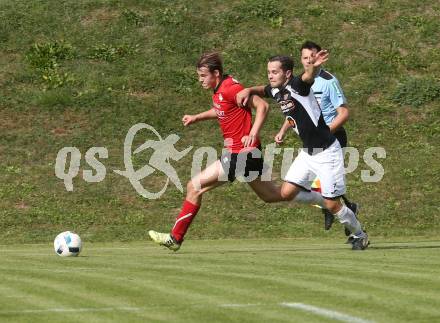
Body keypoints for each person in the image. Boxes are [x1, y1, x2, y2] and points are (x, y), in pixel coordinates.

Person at [148, 51, 332, 251]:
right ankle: (326, 202)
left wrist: (253, 132)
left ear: (215, 73)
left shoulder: (230, 88)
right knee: (272, 195)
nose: (200, 80)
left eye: (203, 75)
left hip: (241, 154)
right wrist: (196, 117)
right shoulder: (220, 90)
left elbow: (262, 106)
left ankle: (175, 238)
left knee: (194, 186)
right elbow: (221, 110)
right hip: (245, 154)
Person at [236, 51, 369, 250]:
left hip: (327, 152)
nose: (270, 76)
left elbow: (308, 76)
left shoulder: (297, 86)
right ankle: (335, 205)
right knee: (287, 192)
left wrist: (313, 66)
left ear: (288, 73)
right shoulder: (276, 91)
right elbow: (263, 90)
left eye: (274, 72)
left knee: (333, 204)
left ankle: (360, 234)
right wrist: (248, 90)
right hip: (308, 154)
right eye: (269, 72)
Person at [274, 41, 358, 236]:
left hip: (332, 137)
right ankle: (343, 208)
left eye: (312, 57)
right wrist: (283, 130)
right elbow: (295, 112)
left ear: (318, 58)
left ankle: (337, 212)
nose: (308, 61)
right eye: (304, 58)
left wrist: (326, 130)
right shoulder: (296, 84)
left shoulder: (328, 81)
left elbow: (344, 113)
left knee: (323, 187)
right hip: (314, 140)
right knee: (316, 188)